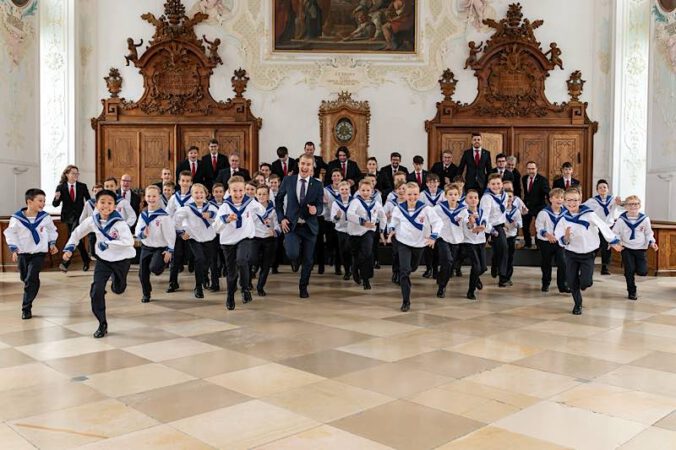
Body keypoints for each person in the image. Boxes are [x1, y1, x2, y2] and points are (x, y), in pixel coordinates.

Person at [63, 189, 135, 338]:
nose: (105, 206)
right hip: (103, 260)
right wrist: (69, 248)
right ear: (96, 204)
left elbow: (129, 241)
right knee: (96, 291)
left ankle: (116, 283)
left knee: (119, 289)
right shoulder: (92, 220)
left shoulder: (120, 223)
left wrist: (108, 243)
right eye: (102, 202)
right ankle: (102, 323)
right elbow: (77, 233)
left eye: (109, 203)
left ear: (114, 206)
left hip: (121, 260)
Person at [555, 188, 622, 315]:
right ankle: (577, 304)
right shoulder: (563, 219)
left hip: (587, 254)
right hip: (571, 254)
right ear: (564, 202)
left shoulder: (589, 214)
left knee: (586, 282)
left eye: (575, 200)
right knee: (571, 280)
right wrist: (566, 237)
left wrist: (613, 241)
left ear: (580, 201)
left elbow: (603, 226)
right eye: (569, 200)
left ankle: (584, 283)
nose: (572, 203)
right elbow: (559, 235)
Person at [387, 182, 442, 312]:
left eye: (415, 194)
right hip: (403, 242)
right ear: (404, 195)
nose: (412, 197)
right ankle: (406, 301)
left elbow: (438, 222)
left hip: (419, 243)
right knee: (404, 271)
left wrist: (433, 236)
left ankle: (408, 273)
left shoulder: (426, 209)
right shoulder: (398, 208)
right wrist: (392, 230)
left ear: (419, 195)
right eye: (409, 194)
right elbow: (393, 222)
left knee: (413, 267)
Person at [4, 189, 59, 320]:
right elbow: (10, 233)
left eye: (44, 201)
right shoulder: (17, 218)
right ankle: (33, 284)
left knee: (31, 278)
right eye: (40, 201)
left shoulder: (44, 217)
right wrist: (14, 249)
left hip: (38, 253)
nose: (43, 203)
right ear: (29, 202)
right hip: (23, 253)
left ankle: (26, 307)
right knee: (25, 278)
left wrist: (52, 244)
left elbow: (52, 231)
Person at [276, 153, 325, 298]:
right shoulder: (288, 180)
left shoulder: (317, 184)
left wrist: (316, 210)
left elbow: (320, 205)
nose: (305, 167)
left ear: (312, 167)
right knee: (292, 253)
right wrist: (281, 218)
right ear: (298, 164)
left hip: (310, 226)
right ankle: (294, 259)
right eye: (303, 163)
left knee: (309, 259)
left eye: (308, 165)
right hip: (291, 225)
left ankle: (303, 286)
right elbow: (278, 201)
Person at [214, 176, 264, 310]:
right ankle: (230, 296)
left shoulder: (250, 202)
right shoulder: (225, 207)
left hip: (245, 238)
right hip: (228, 242)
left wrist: (261, 211)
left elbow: (262, 211)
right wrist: (226, 219)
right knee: (232, 273)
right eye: (234, 191)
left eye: (241, 190)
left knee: (242, 260)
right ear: (229, 191)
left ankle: (245, 288)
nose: (238, 194)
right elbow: (216, 228)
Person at [173, 183, 218, 299]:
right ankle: (198, 287)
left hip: (209, 239)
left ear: (206, 194)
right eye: (196, 193)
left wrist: (211, 215)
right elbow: (175, 221)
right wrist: (181, 233)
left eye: (201, 192)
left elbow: (219, 218)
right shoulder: (187, 209)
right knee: (199, 259)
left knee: (207, 262)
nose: (199, 195)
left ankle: (204, 275)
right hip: (194, 238)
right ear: (192, 195)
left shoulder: (212, 207)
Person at [612, 195, 658, 300]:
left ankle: (637, 269)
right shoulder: (621, 220)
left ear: (639, 206)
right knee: (629, 270)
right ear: (626, 207)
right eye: (630, 204)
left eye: (636, 204)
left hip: (641, 248)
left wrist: (652, 242)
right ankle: (631, 291)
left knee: (643, 271)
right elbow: (615, 232)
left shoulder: (645, 219)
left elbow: (648, 233)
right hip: (626, 248)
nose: (633, 206)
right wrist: (617, 242)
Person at [135, 185, 175, 303]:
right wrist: (143, 233)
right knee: (142, 273)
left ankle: (161, 264)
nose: (151, 199)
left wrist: (170, 250)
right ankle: (146, 293)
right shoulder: (143, 214)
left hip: (160, 248)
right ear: (145, 197)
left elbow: (170, 234)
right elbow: (138, 231)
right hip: (146, 247)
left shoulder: (164, 216)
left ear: (159, 197)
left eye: (154, 196)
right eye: (148, 196)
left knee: (155, 268)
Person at [347, 179, 386, 290]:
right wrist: (363, 222)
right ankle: (354, 268)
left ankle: (366, 279)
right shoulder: (355, 202)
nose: (365, 192)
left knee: (367, 253)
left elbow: (383, 216)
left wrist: (382, 230)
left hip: (368, 232)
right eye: (363, 190)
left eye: (368, 190)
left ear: (372, 191)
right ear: (359, 190)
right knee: (357, 254)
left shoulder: (376, 203)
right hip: (354, 233)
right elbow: (349, 214)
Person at [53, 165, 91, 272]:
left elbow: (88, 201)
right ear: (67, 174)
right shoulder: (61, 187)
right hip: (67, 217)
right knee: (75, 238)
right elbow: (55, 204)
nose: (76, 175)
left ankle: (66, 262)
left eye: (77, 173)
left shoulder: (82, 186)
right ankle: (86, 259)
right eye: (73, 173)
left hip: (80, 216)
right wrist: (57, 197)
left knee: (73, 236)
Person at [434, 184, 467, 298]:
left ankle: (441, 277)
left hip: (456, 239)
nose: (453, 197)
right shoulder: (439, 208)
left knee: (449, 265)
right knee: (447, 261)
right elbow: (431, 218)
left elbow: (467, 223)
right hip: (442, 238)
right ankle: (442, 287)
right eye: (450, 194)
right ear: (445, 196)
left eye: (455, 194)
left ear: (459, 195)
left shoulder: (463, 209)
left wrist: (471, 222)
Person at [583, 179, 622, 275]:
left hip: (609, 227)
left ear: (608, 189)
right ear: (597, 190)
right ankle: (588, 265)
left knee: (606, 248)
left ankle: (604, 267)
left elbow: (622, 206)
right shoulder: (592, 201)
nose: (602, 189)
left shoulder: (613, 200)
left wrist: (620, 202)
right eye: (600, 187)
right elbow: (581, 207)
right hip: (597, 227)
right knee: (595, 246)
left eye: (604, 187)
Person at [535, 188, 569, 293]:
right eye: (557, 197)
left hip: (559, 242)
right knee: (546, 263)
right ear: (550, 199)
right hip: (546, 241)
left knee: (562, 263)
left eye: (562, 198)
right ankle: (546, 283)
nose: (559, 200)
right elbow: (539, 227)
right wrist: (547, 235)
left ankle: (562, 285)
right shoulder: (544, 213)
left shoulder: (566, 213)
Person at [166, 171, 194, 293]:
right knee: (175, 258)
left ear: (191, 183)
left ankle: (201, 282)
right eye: (183, 180)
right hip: (177, 232)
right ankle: (173, 282)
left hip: (190, 233)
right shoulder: (173, 198)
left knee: (195, 257)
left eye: (188, 181)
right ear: (179, 182)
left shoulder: (194, 197)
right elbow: (168, 214)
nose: (185, 183)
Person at [481, 174, 509, 287]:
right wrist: (490, 230)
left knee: (503, 248)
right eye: (493, 184)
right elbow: (484, 216)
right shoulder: (486, 198)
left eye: (498, 183)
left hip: (498, 225)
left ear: (502, 184)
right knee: (478, 249)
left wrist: (504, 223)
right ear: (488, 185)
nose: (496, 186)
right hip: (485, 226)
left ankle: (502, 276)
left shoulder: (505, 196)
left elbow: (503, 212)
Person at [252, 185, 280, 296]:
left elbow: (277, 224)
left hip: (269, 239)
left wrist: (275, 231)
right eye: (259, 194)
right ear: (255, 195)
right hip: (255, 238)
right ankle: (249, 277)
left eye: (264, 194)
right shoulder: (252, 209)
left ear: (268, 195)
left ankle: (260, 287)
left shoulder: (273, 210)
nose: (262, 196)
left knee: (266, 265)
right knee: (253, 260)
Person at [461, 189, 489, 300]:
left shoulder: (482, 211)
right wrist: (471, 224)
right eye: (470, 197)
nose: (473, 200)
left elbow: (486, 223)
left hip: (481, 241)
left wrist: (484, 227)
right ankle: (470, 291)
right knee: (476, 266)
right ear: (466, 200)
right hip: (469, 242)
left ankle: (476, 278)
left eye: (475, 197)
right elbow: (467, 225)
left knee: (483, 268)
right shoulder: (464, 212)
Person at [521, 161, 550, 248]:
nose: (531, 171)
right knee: (524, 225)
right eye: (529, 169)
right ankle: (528, 243)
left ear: (536, 169)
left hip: (539, 206)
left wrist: (552, 205)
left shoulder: (542, 180)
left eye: (533, 169)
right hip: (527, 206)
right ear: (527, 169)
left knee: (538, 226)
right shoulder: (524, 178)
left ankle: (538, 245)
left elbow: (548, 193)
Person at [384, 180, 408, 284]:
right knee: (396, 253)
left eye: (404, 189)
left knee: (404, 254)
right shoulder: (390, 203)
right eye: (399, 189)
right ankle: (396, 272)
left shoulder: (410, 202)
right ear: (395, 190)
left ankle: (404, 273)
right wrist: (387, 216)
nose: (401, 191)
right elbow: (382, 215)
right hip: (394, 232)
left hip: (407, 232)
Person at [421, 173, 443, 278]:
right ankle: (428, 268)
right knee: (428, 249)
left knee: (437, 249)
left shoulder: (443, 194)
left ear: (438, 183)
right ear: (427, 184)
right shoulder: (422, 194)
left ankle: (435, 270)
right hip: (427, 224)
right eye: (430, 183)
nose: (433, 185)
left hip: (438, 224)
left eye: (435, 182)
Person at [330, 180, 353, 280]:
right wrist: (337, 216)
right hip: (341, 230)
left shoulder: (355, 201)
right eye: (342, 189)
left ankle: (354, 269)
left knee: (352, 250)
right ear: (339, 191)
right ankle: (347, 270)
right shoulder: (336, 203)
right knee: (344, 251)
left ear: (349, 190)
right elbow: (333, 219)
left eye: (346, 189)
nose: (344, 191)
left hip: (352, 231)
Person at [504, 190, 522, 285]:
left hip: (511, 235)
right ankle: (499, 272)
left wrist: (516, 223)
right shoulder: (500, 209)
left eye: (510, 196)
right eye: (506, 196)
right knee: (502, 256)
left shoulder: (516, 211)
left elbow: (520, 224)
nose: (508, 199)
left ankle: (507, 277)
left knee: (510, 257)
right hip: (502, 236)